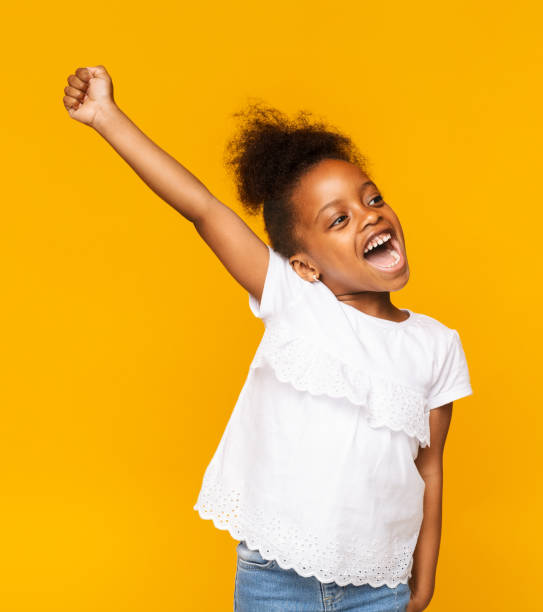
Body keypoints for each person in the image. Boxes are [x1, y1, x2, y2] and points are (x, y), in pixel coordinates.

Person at [63, 65, 473, 612]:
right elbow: (202, 208)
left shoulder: (437, 345)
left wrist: (423, 584)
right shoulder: (295, 300)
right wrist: (107, 118)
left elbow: (430, 467)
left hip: (379, 586)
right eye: (338, 220)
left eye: (372, 200)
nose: (369, 218)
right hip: (276, 580)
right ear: (302, 264)